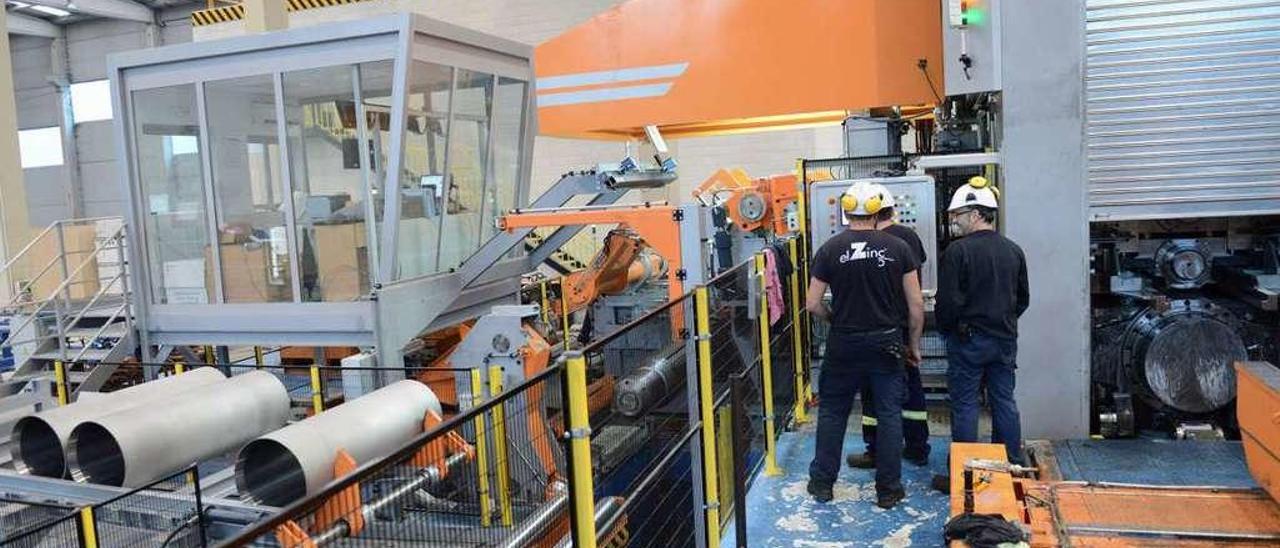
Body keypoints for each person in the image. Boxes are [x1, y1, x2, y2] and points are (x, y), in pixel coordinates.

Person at [806, 181, 925, 509]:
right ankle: (888, 490)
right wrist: (912, 345)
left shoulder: (830, 249)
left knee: (832, 412)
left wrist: (834, 319)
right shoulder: (899, 249)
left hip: (843, 343)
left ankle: (821, 485)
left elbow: (812, 303)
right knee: (888, 415)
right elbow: (915, 305)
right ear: (876, 211)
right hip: (886, 342)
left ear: (845, 211)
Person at [931, 176, 1030, 492]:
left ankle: (964, 474)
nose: (956, 223)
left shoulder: (958, 253)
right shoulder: (1013, 251)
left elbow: (947, 303)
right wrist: (1003, 322)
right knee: (1004, 401)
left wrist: (949, 330)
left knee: (965, 405)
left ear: (975, 214)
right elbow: (1023, 298)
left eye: (959, 216)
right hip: (1004, 340)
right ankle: (1011, 465)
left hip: (968, 341)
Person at [846, 193, 932, 470]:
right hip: (904, 325)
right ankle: (918, 447)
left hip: (872, 328)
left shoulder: (859, 244)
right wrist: (916, 341)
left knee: (873, 391)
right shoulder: (908, 238)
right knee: (911, 386)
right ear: (891, 210)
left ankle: (876, 450)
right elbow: (916, 294)